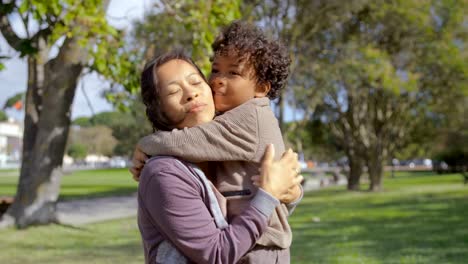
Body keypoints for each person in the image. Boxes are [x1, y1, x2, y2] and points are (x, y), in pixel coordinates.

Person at [132, 21, 299, 263]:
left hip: (263, 245)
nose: (219, 80)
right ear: (159, 110)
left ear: (261, 88)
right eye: (215, 71)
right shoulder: (165, 171)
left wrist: (147, 143)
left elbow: (191, 140)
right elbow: (216, 252)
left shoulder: (250, 116)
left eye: (234, 73)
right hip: (248, 243)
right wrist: (273, 194)